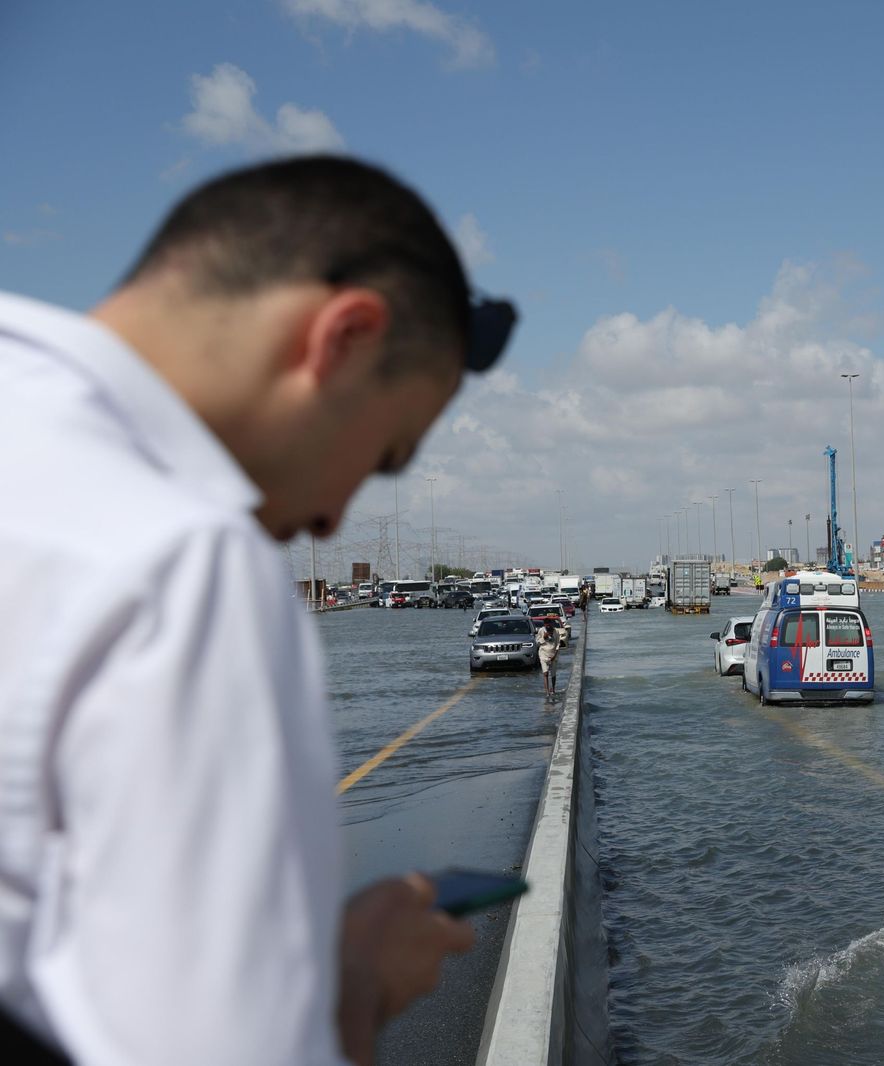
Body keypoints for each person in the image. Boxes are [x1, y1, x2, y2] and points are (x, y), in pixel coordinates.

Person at [0, 156, 517, 1064]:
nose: (331, 519)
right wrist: (350, 981)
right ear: (344, 336)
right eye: (385, 454)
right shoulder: (176, 554)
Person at [536, 615, 561, 697]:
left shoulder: (556, 631)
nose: (548, 626)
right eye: (547, 625)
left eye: (549, 625)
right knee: (545, 673)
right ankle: (547, 691)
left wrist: (555, 655)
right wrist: (544, 637)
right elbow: (538, 642)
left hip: (553, 654)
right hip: (543, 654)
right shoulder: (541, 631)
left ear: (551, 624)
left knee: (553, 674)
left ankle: (553, 689)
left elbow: (557, 644)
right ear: (544, 625)